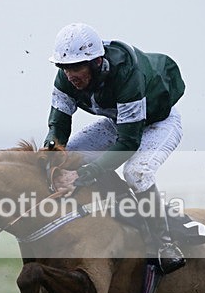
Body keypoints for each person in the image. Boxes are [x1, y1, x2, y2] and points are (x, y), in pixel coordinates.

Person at [43, 22, 186, 274]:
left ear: (97, 62)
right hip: (118, 122)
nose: (70, 75)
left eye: (76, 67)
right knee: (70, 158)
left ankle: (165, 243)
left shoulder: (127, 74)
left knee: (136, 172)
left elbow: (129, 143)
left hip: (158, 124)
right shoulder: (65, 79)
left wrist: (83, 175)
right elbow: (58, 125)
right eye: (64, 68)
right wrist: (51, 151)